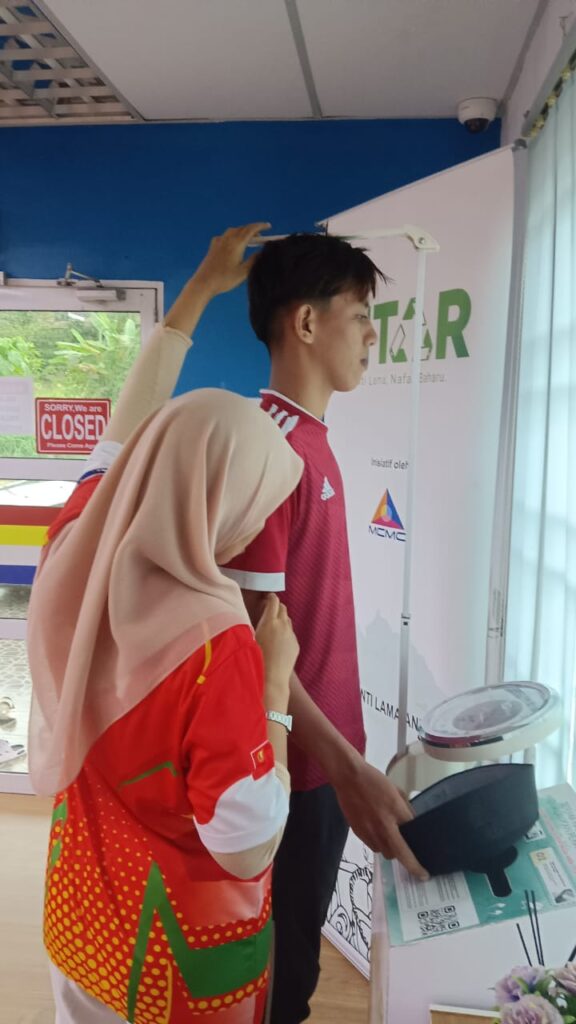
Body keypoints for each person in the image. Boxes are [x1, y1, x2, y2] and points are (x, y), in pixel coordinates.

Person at [26, 224, 304, 1024]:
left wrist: (198, 291)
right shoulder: (218, 646)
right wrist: (276, 691)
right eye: (257, 499)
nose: (255, 522)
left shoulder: (76, 545)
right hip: (170, 963)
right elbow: (245, 843)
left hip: (82, 925)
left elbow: (126, 427)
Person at [222, 232, 428, 1024]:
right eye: (361, 314)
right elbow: (253, 646)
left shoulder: (309, 438)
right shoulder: (268, 448)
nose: (374, 334)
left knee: (293, 967)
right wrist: (344, 768)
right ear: (306, 323)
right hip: (294, 769)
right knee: (280, 986)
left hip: (324, 762)